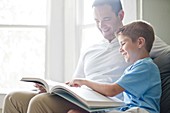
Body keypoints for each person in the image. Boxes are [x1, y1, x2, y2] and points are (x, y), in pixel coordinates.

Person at [2, 0, 168, 113]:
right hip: (82, 96)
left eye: (106, 19)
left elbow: (164, 55)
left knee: (40, 103)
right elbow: (76, 81)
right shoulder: (91, 48)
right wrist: (53, 88)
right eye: (96, 20)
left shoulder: (133, 41)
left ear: (121, 15)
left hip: (108, 102)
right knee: (14, 98)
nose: (101, 26)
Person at [67, 21, 162, 113]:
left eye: (123, 44)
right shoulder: (134, 68)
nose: (120, 50)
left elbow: (112, 90)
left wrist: (84, 82)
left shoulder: (145, 66)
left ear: (140, 42)